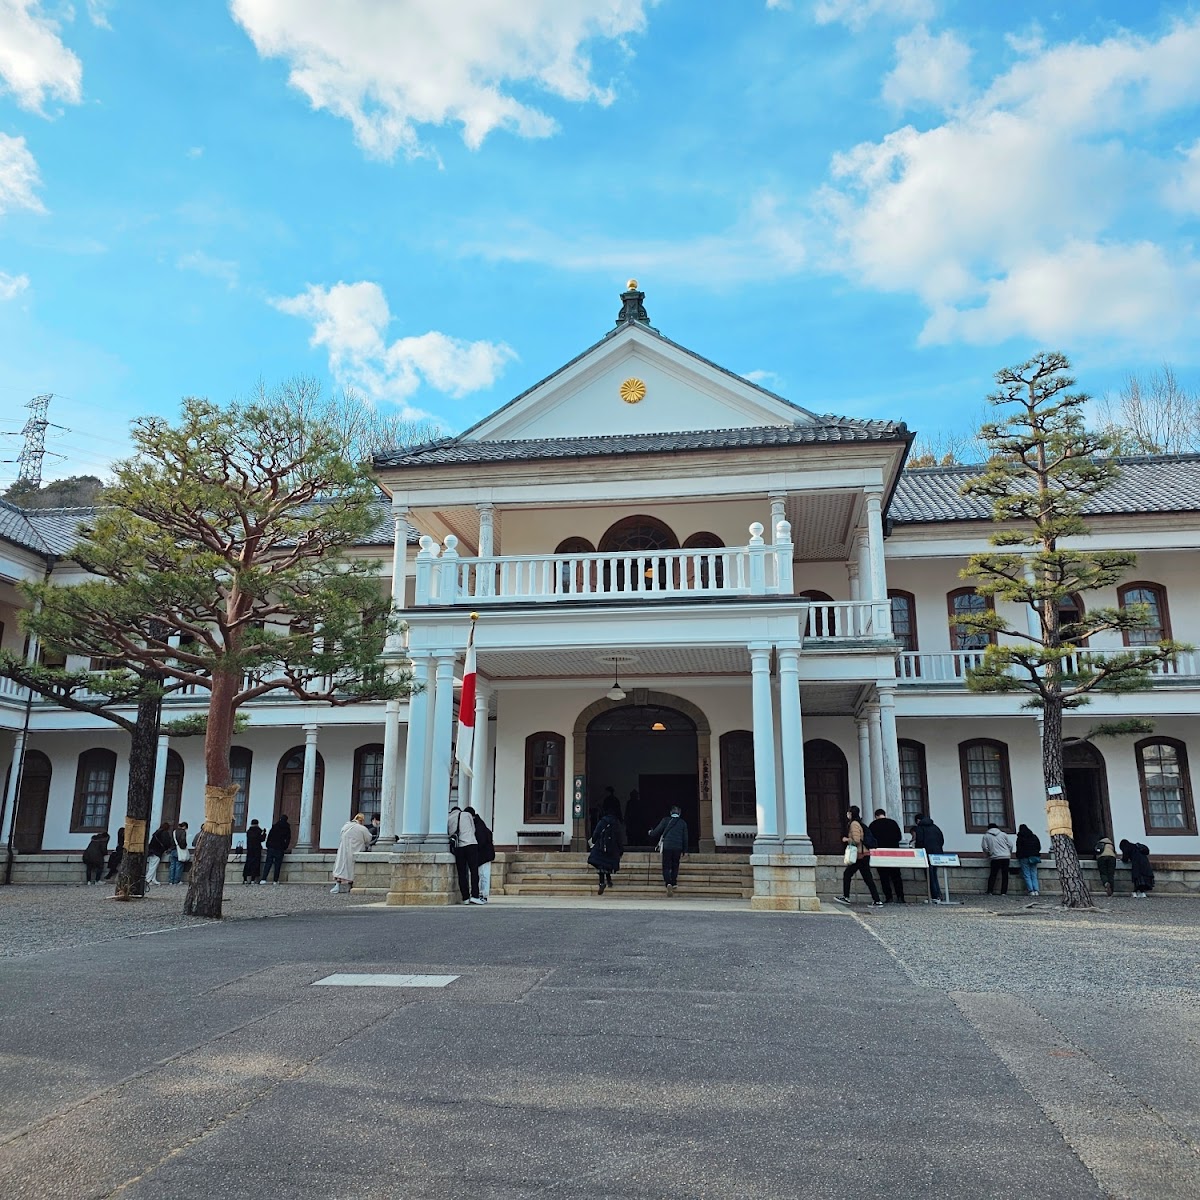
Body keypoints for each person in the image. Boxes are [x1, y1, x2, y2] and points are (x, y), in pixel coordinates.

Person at [836, 806, 882, 906]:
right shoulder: (859, 823)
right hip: (864, 854)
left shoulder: (854, 824)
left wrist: (847, 839)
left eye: (849, 813)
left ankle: (846, 896)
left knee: (848, 874)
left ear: (851, 813)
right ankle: (877, 900)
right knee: (867, 878)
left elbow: (856, 840)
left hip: (859, 855)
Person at [648, 806, 689, 895]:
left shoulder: (665, 820)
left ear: (671, 813)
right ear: (679, 813)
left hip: (667, 846)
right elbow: (685, 838)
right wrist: (685, 850)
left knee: (666, 866)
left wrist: (651, 833)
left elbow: (657, 831)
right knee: (675, 865)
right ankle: (674, 882)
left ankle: (668, 883)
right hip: (678, 847)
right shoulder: (683, 823)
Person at [868, 808, 905, 903]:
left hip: (880, 853)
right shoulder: (893, 823)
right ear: (884, 814)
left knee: (884, 876)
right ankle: (900, 896)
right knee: (896, 876)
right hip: (893, 852)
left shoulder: (873, 825)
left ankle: (889, 897)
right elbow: (899, 837)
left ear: (876, 816)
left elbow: (871, 839)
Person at [448, 803, 482, 904]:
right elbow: (473, 829)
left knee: (462, 873)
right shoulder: (467, 815)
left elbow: (450, 833)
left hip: (459, 848)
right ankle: (475, 895)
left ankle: (465, 897)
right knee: (474, 871)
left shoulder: (449, 818)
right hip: (471, 844)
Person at [331, 813, 373, 894]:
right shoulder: (362, 828)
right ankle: (350, 885)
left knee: (341, 866)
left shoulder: (346, 826)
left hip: (343, 850)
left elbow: (341, 835)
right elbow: (368, 838)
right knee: (351, 868)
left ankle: (337, 885)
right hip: (355, 849)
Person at [588, 807, 625, 894]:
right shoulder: (616, 823)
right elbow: (619, 837)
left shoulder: (602, 821)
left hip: (601, 846)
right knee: (608, 864)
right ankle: (609, 881)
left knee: (601, 864)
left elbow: (596, 833)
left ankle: (602, 882)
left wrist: (593, 841)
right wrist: (621, 848)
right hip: (613, 848)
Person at [912, 813, 946, 902]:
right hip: (937, 854)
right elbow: (941, 840)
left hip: (926, 853)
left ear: (918, 820)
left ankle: (934, 896)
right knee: (934, 874)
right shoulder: (935, 827)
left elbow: (919, 841)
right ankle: (938, 894)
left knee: (930, 875)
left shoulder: (920, 828)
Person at [467, 806, 495, 902]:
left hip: (484, 855)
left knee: (484, 875)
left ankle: (483, 895)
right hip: (485, 854)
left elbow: (481, 841)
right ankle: (482, 894)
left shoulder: (477, 826)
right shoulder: (480, 824)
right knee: (483, 875)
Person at [982, 821, 1013, 896]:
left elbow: (985, 847)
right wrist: (1009, 852)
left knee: (993, 874)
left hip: (995, 857)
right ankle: (1003, 892)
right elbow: (1010, 845)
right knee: (1005, 875)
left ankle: (990, 891)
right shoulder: (1003, 834)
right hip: (1005, 856)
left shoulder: (986, 836)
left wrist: (989, 853)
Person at [261, 813, 291, 884]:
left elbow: (270, 836)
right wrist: (285, 847)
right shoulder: (287, 828)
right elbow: (288, 838)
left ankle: (263, 879)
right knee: (277, 865)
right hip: (280, 848)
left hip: (271, 847)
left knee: (268, 863)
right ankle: (275, 880)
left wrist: (267, 845)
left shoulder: (275, 826)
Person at [1014, 823, 1042, 896]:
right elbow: (1039, 847)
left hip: (1024, 857)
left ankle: (1031, 890)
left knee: (1027, 874)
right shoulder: (1034, 836)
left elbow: (1019, 848)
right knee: (1034, 874)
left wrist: (1018, 855)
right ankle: (1036, 890)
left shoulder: (1020, 838)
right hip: (1034, 857)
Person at [145, 820, 173, 887]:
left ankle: (153, 879)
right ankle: (147, 880)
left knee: (152, 865)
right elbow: (167, 843)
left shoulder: (157, 832)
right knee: (153, 866)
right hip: (158, 851)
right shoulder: (164, 833)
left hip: (152, 850)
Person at [243, 818, 265, 884]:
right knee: (255, 864)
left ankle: (245, 879)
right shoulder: (259, 831)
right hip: (257, 849)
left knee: (248, 863)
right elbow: (261, 839)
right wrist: (264, 834)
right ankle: (253, 879)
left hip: (249, 849)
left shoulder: (249, 831)